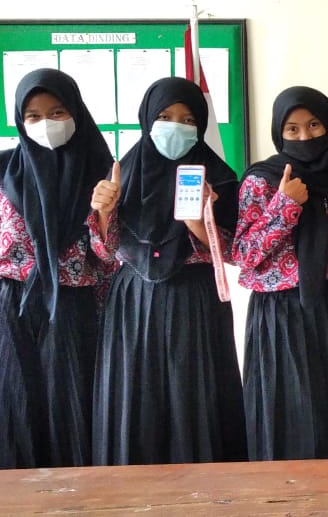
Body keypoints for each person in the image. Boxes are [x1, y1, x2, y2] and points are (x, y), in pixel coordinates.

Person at [93, 77, 246, 465]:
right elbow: (104, 253)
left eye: (188, 119)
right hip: (133, 301)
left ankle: (203, 488)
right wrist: (105, 213)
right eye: (165, 116)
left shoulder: (222, 179)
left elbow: (235, 254)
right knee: (136, 399)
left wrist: (200, 222)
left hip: (196, 300)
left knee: (195, 397)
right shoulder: (120, 175)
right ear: (147, 119)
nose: (176, 126)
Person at [0, 69, 114, 469]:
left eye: (57, 112)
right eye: (34, 116)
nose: (46, 124)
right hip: (8, 304)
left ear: (76, 111)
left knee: (69, 411)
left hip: (72, 306)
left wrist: (104, 214)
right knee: (9, 409)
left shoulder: (103, 171)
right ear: (20, 121)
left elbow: (109, 258)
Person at [233, 86, 328, 461]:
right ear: (279, 132)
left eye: (314, 125)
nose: (305, 136)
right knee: (284, 419)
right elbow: (244, 254)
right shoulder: (261, 181)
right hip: (278, 317)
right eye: (292, 129)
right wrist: (284, 206)